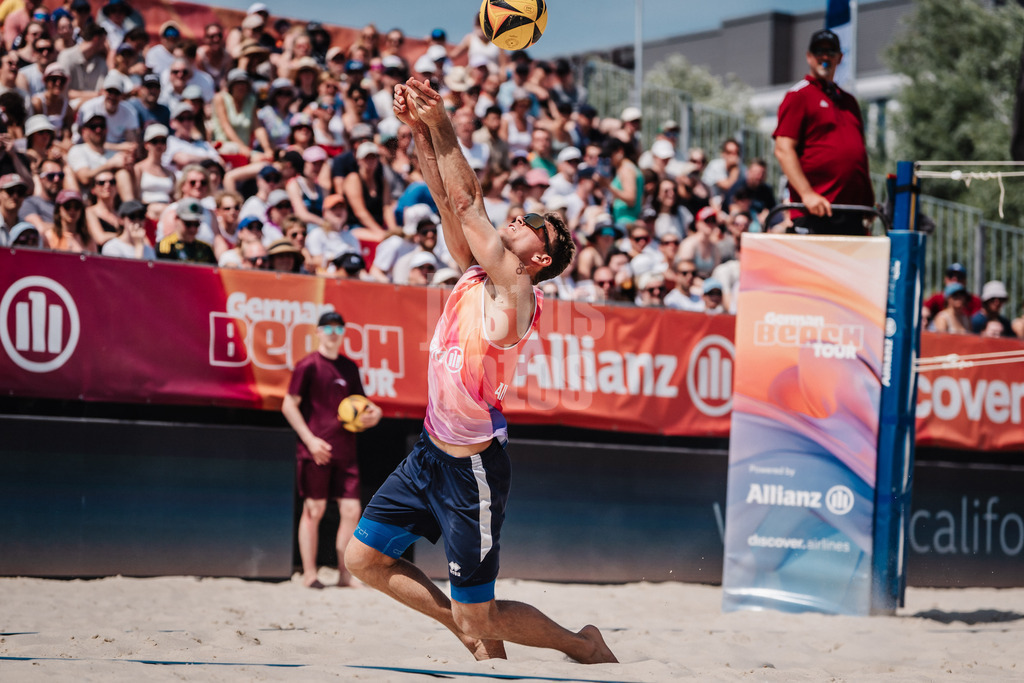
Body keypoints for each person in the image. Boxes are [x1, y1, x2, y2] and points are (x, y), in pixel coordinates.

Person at [344, 78, 616, 665]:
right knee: (362, 560)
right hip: (427, 455)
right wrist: (418, 130)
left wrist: (441, 121)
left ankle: (582, 646)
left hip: (472, 474)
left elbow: (468, 203)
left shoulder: (516, 290)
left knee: (481, 612)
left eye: (528, 223)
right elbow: (449, 201)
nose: (515, 216)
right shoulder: (474, 271)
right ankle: (465, 630)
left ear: (538, 258)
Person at [282, 310, 382, 588]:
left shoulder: (349, 367)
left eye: (339, 328)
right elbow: (288, 405)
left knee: (351, 512)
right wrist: (310, 440)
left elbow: (364, 405)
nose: (333, 332)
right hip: (316, 450)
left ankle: (345, 575)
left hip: (345, 450)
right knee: (313, 510)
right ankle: (310, 574)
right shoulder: (308, 365)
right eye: (328, 327)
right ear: (317, 332)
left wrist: (376, 413)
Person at [773, 29, 874, 235]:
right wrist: (807, 194)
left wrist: (867, 201)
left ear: (840, 57)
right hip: (815, 211)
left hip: (851, 212)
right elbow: (783, 149)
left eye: (831, 52)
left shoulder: (849, 101)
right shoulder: (799, 95)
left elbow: (858, 155)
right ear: (809, 56)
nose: (825, 57)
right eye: (819, 51)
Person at [157, 198, 216, 264]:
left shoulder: (206, 249)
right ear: (176, 219)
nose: (192, 229)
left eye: (196, 224)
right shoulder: (166, 246)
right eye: (188, 224)